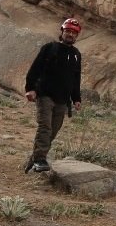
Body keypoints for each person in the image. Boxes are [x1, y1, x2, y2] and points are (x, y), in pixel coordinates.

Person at [23, 18, 83, 173]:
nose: (70, 35)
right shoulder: (49, 48)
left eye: (73, 33)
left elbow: (76, 78)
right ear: (61, 32)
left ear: (77, 36)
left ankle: (34, 160)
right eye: (68, 31)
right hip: (45, 95)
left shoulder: (76, 55)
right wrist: (30, 89)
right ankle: (40, 160)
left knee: (53, 131)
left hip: (62, 100)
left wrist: (76, 99)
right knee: (45, 127)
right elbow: (35, 69)